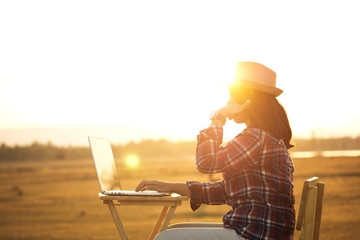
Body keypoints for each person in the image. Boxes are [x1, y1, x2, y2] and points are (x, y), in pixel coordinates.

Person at [136, 62, 295, 240]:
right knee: (173, 230)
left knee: (165, 238)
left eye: (231, 98)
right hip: (258, 231)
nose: (227, 104)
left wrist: (219, 118)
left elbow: (206, 162)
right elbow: (228, 190)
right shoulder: (261, 137)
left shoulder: (256, 138)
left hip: (256, 234)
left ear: (248, 98)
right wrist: (170, 186)